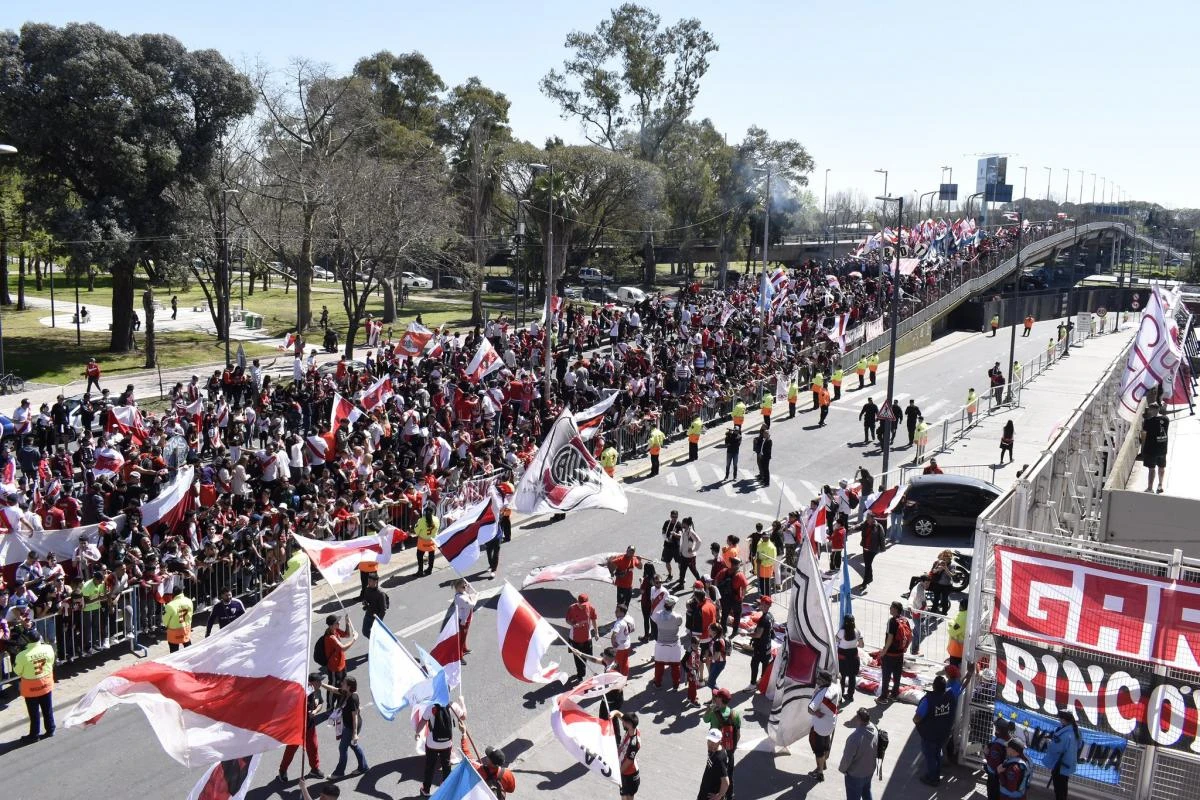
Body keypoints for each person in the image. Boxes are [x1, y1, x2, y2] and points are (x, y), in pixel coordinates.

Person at [279, 673, 325, 781]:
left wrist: (315, 711)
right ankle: (282, 770)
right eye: (319, 681)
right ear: (311, 682)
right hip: (297, 727)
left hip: (310, 726)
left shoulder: (317, 691)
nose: (321, 683)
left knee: (313, 747)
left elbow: (320, 704)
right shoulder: (300, 692)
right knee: (291, 750)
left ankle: (314, 769)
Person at [913, 674, 957, 786]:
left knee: (930, 756)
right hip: (944, 733)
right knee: (937, 753)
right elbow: (961, 688)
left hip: (930, 735)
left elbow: (917, 718)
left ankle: (933, 778)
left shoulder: (928, 700)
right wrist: (969, 674)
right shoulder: (950, 695)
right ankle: (936, 773)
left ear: (933, 687)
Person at [15, 630, 56, 740]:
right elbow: (51, 662)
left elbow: (17, 671)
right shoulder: (48, 648)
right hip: (46, 683)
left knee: (34, 713)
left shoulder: (22, 655)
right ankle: (50, 729)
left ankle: (34, 735)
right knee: (47, 709)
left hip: (31, 688)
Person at [419, 698, 464, 795]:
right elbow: (464, 717)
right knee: (446, 765)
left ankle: (426, 790)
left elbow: (423, 721)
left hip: (432, 744)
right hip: (447, 744)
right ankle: (446, 786)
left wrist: (417, 733)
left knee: (430, 766)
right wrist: (462, 702)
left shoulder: (431, 706)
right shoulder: (453, 705)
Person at [702, 688, 741, 798]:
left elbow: (705, 719)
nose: (714, 698)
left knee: (715, 775)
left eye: (716, 697)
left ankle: (718, 795)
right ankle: (729, 795)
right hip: (729, 750)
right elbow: (738, 735)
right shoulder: (735, 714)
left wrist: (709, 709)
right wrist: (732, 749)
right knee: (729, 774)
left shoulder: (714, 713)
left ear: (720, 699)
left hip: (715, 750)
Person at [329, 675, 368, 779]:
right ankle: (363, 767)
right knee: (353, 745)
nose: (341, 684)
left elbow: (354, 716)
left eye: (344, 683)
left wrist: (354, 733)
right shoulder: (346, 693)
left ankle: (339, 772)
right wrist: (321, 685)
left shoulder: (353, 698)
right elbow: (334, 689)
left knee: (342, 748)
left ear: (349, 686)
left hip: (352, 727)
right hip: (348, 725)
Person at [838, 707, 878, 800]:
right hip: (869, 770)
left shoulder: (855, 738)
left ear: (859, 719)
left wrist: (842, 769)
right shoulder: (874, 727)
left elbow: (847, 758)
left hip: (856, 775)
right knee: (866, 792)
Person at [807, 670, 840, 781]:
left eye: (819, 679)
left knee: (818, 750)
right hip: (830, 723)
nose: (817, 680)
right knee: (826, 746)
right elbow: (839, 679)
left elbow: (810, 709)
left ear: (824, 681)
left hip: (819, 727)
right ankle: (823, 763)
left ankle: (819, 771)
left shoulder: (822, 694)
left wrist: (816, 713)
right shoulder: (836, 687)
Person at [1044, 709, 1080, 800]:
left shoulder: (1065, 734)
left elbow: (1056, 749)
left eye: (1060, 719)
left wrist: (1049, 742)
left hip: (1060, 764)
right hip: (1068, 763)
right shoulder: (1076, 731)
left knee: (1059, 788)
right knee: (1063, 786)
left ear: (1064, 720)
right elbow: (1079, 745)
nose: (1059, 721)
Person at [879, 601, 910, 703]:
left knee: (886, 676)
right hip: (900, 654)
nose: (890, 609)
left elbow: (890, 638)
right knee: (897, 676)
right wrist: (905, 648)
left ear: (896, 609)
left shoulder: (892, 621)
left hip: (890, 654)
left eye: (891, 607)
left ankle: (883, 697)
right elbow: (911, 636)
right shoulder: (905, 620)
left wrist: (884, 651)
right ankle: (894, 694)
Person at [651, 595, 684, 689]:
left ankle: (657, 683)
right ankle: (675, 685)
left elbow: (654, 620)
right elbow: (679, 623)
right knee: (675, 666)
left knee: (659, 665)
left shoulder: (657, 614)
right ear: (673, 606)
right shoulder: (678, 617)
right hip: (674, 645)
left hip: (661, 644)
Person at [566, 592, 599, 681]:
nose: (584, 606)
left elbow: (594, 620)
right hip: (575, 639)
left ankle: (582, 668)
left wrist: (596, 633)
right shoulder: (572, 608)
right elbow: (567, 620)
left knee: (587, 656)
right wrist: (574, 624)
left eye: (585, 604)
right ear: (578, 602)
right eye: (582, 605)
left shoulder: (590, 607)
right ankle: (580, 674)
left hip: (587, 637)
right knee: (577, 657)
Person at [611, 710, 642, 800]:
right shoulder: (633, 728)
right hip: (624, 771)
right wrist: (614, 713)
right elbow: (621, 716)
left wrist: (618, 773)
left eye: (624, 722)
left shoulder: (634, 743)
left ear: (629, 724)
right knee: (623, 795)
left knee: (628, 797)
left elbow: (629, 761)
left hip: (629, 774)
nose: (622, 723)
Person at [1141, 403, 1169, 493]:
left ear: (1152, 410)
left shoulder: (1148, 421)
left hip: (1152, 449)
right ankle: (1160, 486)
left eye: (1150, 409)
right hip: (1163, 448)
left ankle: (1150, 488)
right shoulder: (1166, 419)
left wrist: (1143, 447)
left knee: (1151, 468)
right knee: (1161, 467)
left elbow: (1144, 435)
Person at [835, 614, 864, 702]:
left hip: (843, 657)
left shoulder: (841, 632)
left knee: (842, 677)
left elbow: (836, 639)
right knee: (852, 677)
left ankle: (840, 696)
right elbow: (862, 645)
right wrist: (854, 644)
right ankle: (850, 695)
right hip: (853, 656)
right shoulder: (857, 631)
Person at [985, 718, 1014, 800]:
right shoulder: (1010, 740)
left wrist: (986, 754)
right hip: (1004, 775)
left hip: (995, 776)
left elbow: (993, 764)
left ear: (998, 730)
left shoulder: (997, 745)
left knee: (992, 795)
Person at [748, 595, 774, 688]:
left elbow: (758, 635)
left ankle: (753, 684)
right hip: (767, 645)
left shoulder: (763, 619)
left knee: (754, 664)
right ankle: (762, 682)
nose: (759, 605)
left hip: (760, 647)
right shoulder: (770, 616)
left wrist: (747, 634)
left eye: (761, 603)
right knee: (765, 665)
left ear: (765, 605)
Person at [698, 728, 731, 800]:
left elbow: (726, 782)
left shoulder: (719, 759)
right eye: (709, 741)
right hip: (705, 789)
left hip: (710, 794)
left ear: (720, 742)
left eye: (714, 742)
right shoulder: (713, 749)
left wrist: (719, 796)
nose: (711, 744)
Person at [609, 545, 642, 610]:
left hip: (629, 586)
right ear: (627, 551)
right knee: (620, 603)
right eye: (630, 551)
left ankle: (623, 616)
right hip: (621, 586)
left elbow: (640, 567)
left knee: (627, 603)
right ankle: (619, 617)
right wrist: (612, 572)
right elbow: (611, 564)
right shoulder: (621, 559)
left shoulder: (634, 559)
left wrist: (639, 560)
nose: (631, 553)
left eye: (633, 552)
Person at [163, 587, 194, 653]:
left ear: (173, 594)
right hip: (186, 629)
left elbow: (165, 620)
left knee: (174, 652)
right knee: (189, 649)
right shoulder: (189, 600)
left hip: (174, 631)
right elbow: (191, 613)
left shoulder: (170, 605)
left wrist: (166, 626)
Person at [609, 603, 636, 676]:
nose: (615, 612)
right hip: (627, 644)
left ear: (622, 612)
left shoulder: (618, 623)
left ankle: (617, 678)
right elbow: (633, 629)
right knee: (625, 661)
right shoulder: (629, 618)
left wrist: (613, 644)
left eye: (617, 611)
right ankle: (625, 676)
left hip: (620, 647)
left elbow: (614, 635)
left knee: (617, 663)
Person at [859, 513, 884, 589]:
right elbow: (859, 526)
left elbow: (882, 538)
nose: (867, 519)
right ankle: (870, 578)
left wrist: (882, 548)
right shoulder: (865, 524)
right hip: (865, 547)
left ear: (873, 519)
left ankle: (865, 583)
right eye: (866, 517)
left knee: (867, 565)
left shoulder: (878, 527)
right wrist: (851, 528)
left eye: (868, 518)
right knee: (868, 565)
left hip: (873, 549)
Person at [360, 572, 388, 640]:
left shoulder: (381, 594)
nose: (368, 582)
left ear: (375, 582)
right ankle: (375, 641)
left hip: (376, 618)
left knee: (375, 633)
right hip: (368, 614)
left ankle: (377, 643)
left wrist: (379, 621)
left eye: (370, 581)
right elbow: (366, 600)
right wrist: (365, 603)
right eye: (368, 580)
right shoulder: (367, 589)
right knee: (365, 632)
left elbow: (383, 610)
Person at [414, 506, 440, 576]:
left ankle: (420, 571)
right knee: (431, 555)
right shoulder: (436, 519)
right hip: (432, 540)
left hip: (422, 541)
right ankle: (430, 569)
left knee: (420, 556)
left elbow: (416, 531)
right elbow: (437, 530)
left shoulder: (421, 520)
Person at [909, 575, 929, 656]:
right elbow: (911, 598)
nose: (928, 585)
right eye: (927, 583)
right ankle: (913, 650)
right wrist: (910, 606)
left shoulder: (921, 587)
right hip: (917, 615)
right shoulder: (916, 590)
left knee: (917, 633)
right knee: (922, 634)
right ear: (922, 581)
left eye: (929, 583)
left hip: (922, 614)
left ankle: (914, 650)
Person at [661, 510, 682, 583]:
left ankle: (681, 576)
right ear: (670, 516)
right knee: (667, 562)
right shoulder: (667, 523)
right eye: (673, 517)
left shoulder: (679, 524)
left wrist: (674, 534)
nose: (674, 518)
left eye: (676, 517)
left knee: (680, 563)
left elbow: (680, 535)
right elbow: (663, 532)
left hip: (676, 547)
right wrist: (667, 539)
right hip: (667, 546)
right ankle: (670, 575)